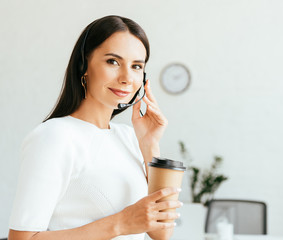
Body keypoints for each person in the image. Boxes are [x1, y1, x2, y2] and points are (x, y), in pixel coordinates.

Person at [8, 15, 181, 240]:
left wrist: (150, 144)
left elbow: (162, 232)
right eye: (113, 61)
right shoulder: (54, 136)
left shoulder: (130, 137)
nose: (127, 78)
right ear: (84, 65)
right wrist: (121, 223)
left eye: (136, 66)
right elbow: (21, 239)